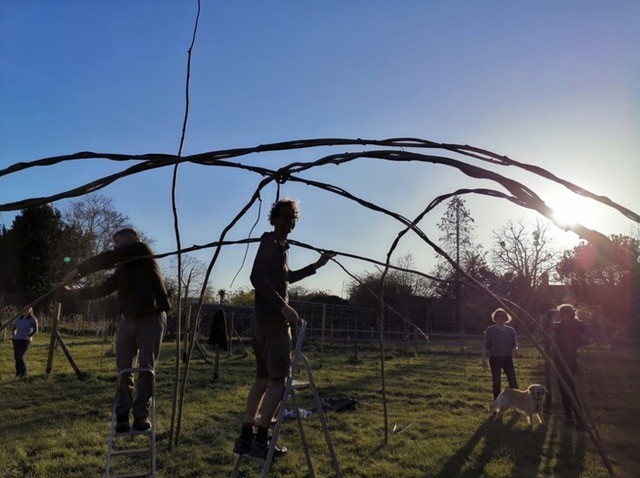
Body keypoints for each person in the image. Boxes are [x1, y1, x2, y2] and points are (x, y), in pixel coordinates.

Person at [233, 198, 335, 460]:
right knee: (279, 381)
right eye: (286, 216)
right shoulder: (270, 242)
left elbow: (287, 277)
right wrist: (284, 308)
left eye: (294, 218)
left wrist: (317, 265)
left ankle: (245, 437)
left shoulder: (281, 247)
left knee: (263, 379)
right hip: (272, 323)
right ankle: (261, 439)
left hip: (263, 321)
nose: (290, 222)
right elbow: (257, 277)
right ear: (275, 218)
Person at [63, 227, 171, 433]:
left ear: (131, 240)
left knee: (146, 368)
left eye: (118, 242)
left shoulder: (142, 250)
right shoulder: (123, 268)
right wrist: (74, 293)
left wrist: (77, 272)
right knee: (123, 368)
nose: (115, 247)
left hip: (151, 315)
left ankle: (141, 415)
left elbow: (108, 258)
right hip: (127, 319)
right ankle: (122, 414)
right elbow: (102, 289)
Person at [552, 303, 584, 426]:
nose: (559, 315)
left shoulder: (569, 325)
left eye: (561, 313)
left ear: (567, 314)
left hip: (566, 360)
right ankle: (571, 417)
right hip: (565, 360)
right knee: (565, 389)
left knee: (568, 389)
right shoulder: (572, 324)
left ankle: (576, 417)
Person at [482, 308, 519, 400]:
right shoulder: (490, 330)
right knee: (496, 381)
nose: (501, 317)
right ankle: (497, 402)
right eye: (499, 315)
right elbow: (486, 345)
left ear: (506, 318)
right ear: (495, 317)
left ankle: (516, 401)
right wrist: (483, 359)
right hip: (495, 358)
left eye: (503, 315)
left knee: (513, 381)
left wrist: (515, 350)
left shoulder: (511, 330)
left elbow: (515, 344)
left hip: (507, 359)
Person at [12, 307, 38, 378]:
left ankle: (24, 373)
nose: (26, 311)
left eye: (27, 309)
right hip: (16, 340)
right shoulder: (18, 318)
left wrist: (28, 336)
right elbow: (14, 328)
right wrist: (13, 335)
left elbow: (35, 330)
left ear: (30, 310)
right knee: (16, 357)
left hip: (25, 340)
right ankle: (18, 373)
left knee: (20, 356)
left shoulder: (32, 319)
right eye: (24, 309)